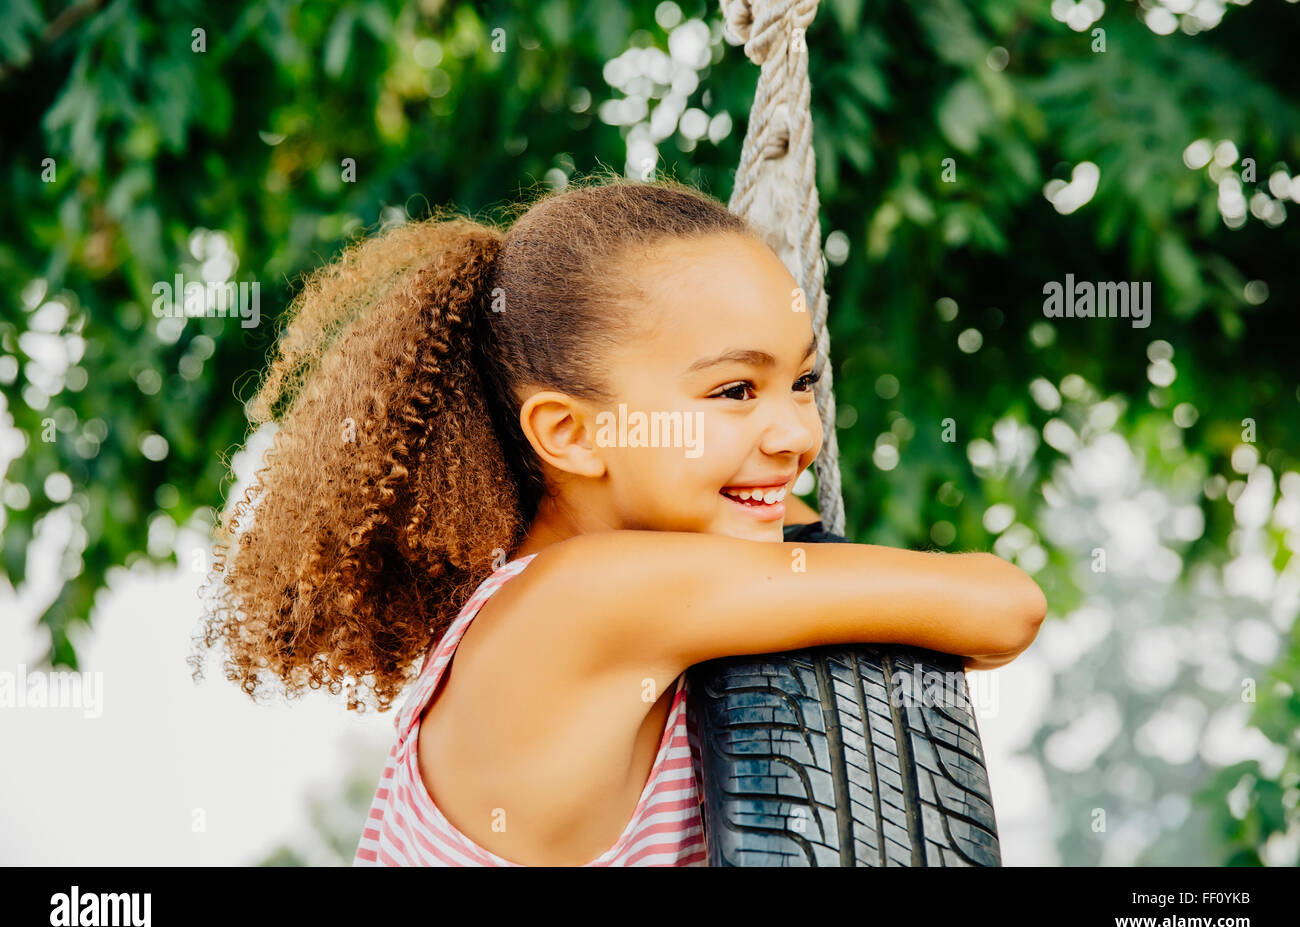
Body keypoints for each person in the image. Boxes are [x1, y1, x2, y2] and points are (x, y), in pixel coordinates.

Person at [192, 171, 1047, 867]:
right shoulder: (589, 601)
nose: (797, 435)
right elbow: (1002, 607)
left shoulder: (589, 590)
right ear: (571, 434)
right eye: (734, 391)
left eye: (803, 383)